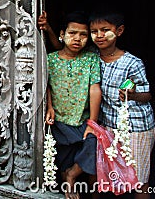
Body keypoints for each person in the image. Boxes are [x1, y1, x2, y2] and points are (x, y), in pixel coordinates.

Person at [89, 11, 155, 199]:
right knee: (105, 174)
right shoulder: (92, 58)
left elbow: (148, 95)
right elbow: (64, 51)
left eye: (105, 30)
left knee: (139, 179)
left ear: (119, 31)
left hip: (136, 127)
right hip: (108, 125)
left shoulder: (132, 63)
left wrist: (132, 95)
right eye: (94, 31)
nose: (99, 35)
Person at [45, 11, 102, 199]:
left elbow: (94, 88)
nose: (77, 39)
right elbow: (46, 85)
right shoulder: (50, 59)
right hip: (60, 118)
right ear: (62, 35)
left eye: (83, 35)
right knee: (63, 155)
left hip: (83, 119)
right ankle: (69, 184)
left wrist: (92, 123)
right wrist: (50, 106)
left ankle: (73, 174)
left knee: (94, 144)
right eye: (72, 33)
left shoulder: (91, 59)